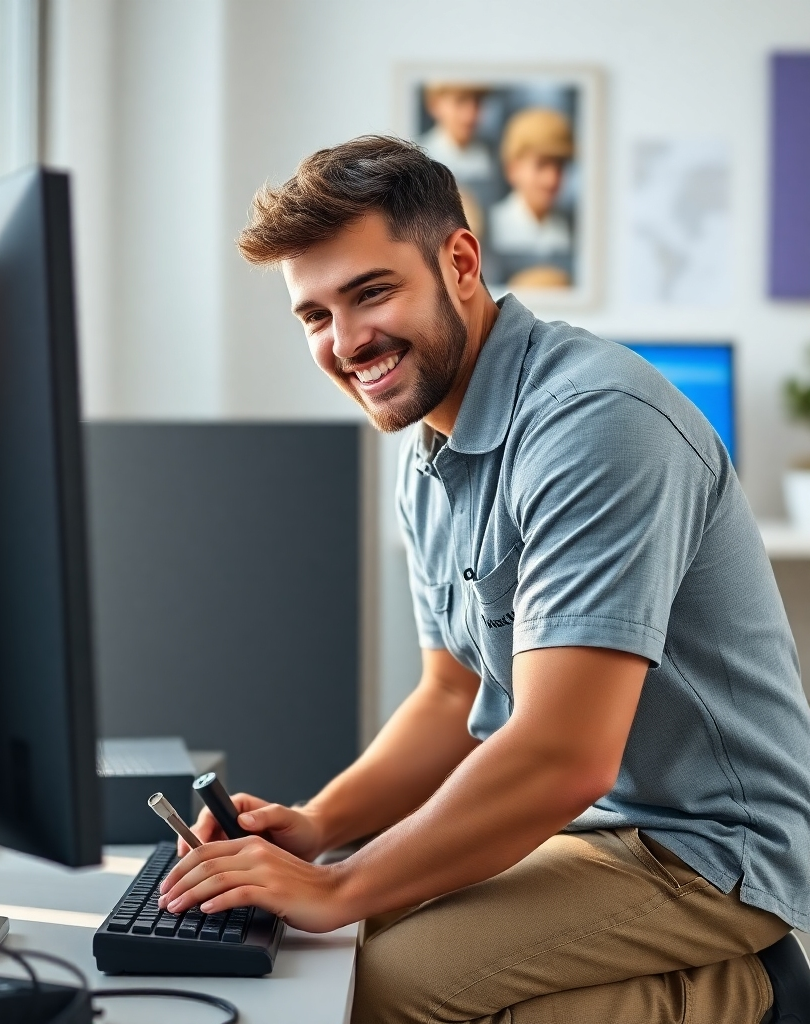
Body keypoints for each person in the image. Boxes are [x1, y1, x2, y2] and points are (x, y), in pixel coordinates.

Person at [157, 135, 810, 1023]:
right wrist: (317, 827)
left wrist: (341, 883)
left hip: (701, 850)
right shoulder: (430, 440)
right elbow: (449, 697)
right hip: (578, 833)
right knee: (328, 952)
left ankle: (752, 989)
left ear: (459, 261)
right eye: (315, 316)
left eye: (370, 292)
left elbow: (562, 752)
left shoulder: (593, 423)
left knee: (376, 987)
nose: (347, 343)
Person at [490, 106, 574, 284]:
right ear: (512, 169)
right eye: (541, 165)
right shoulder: (492, 227)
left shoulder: (572, 229)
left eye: (560, 166)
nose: (552, 179)